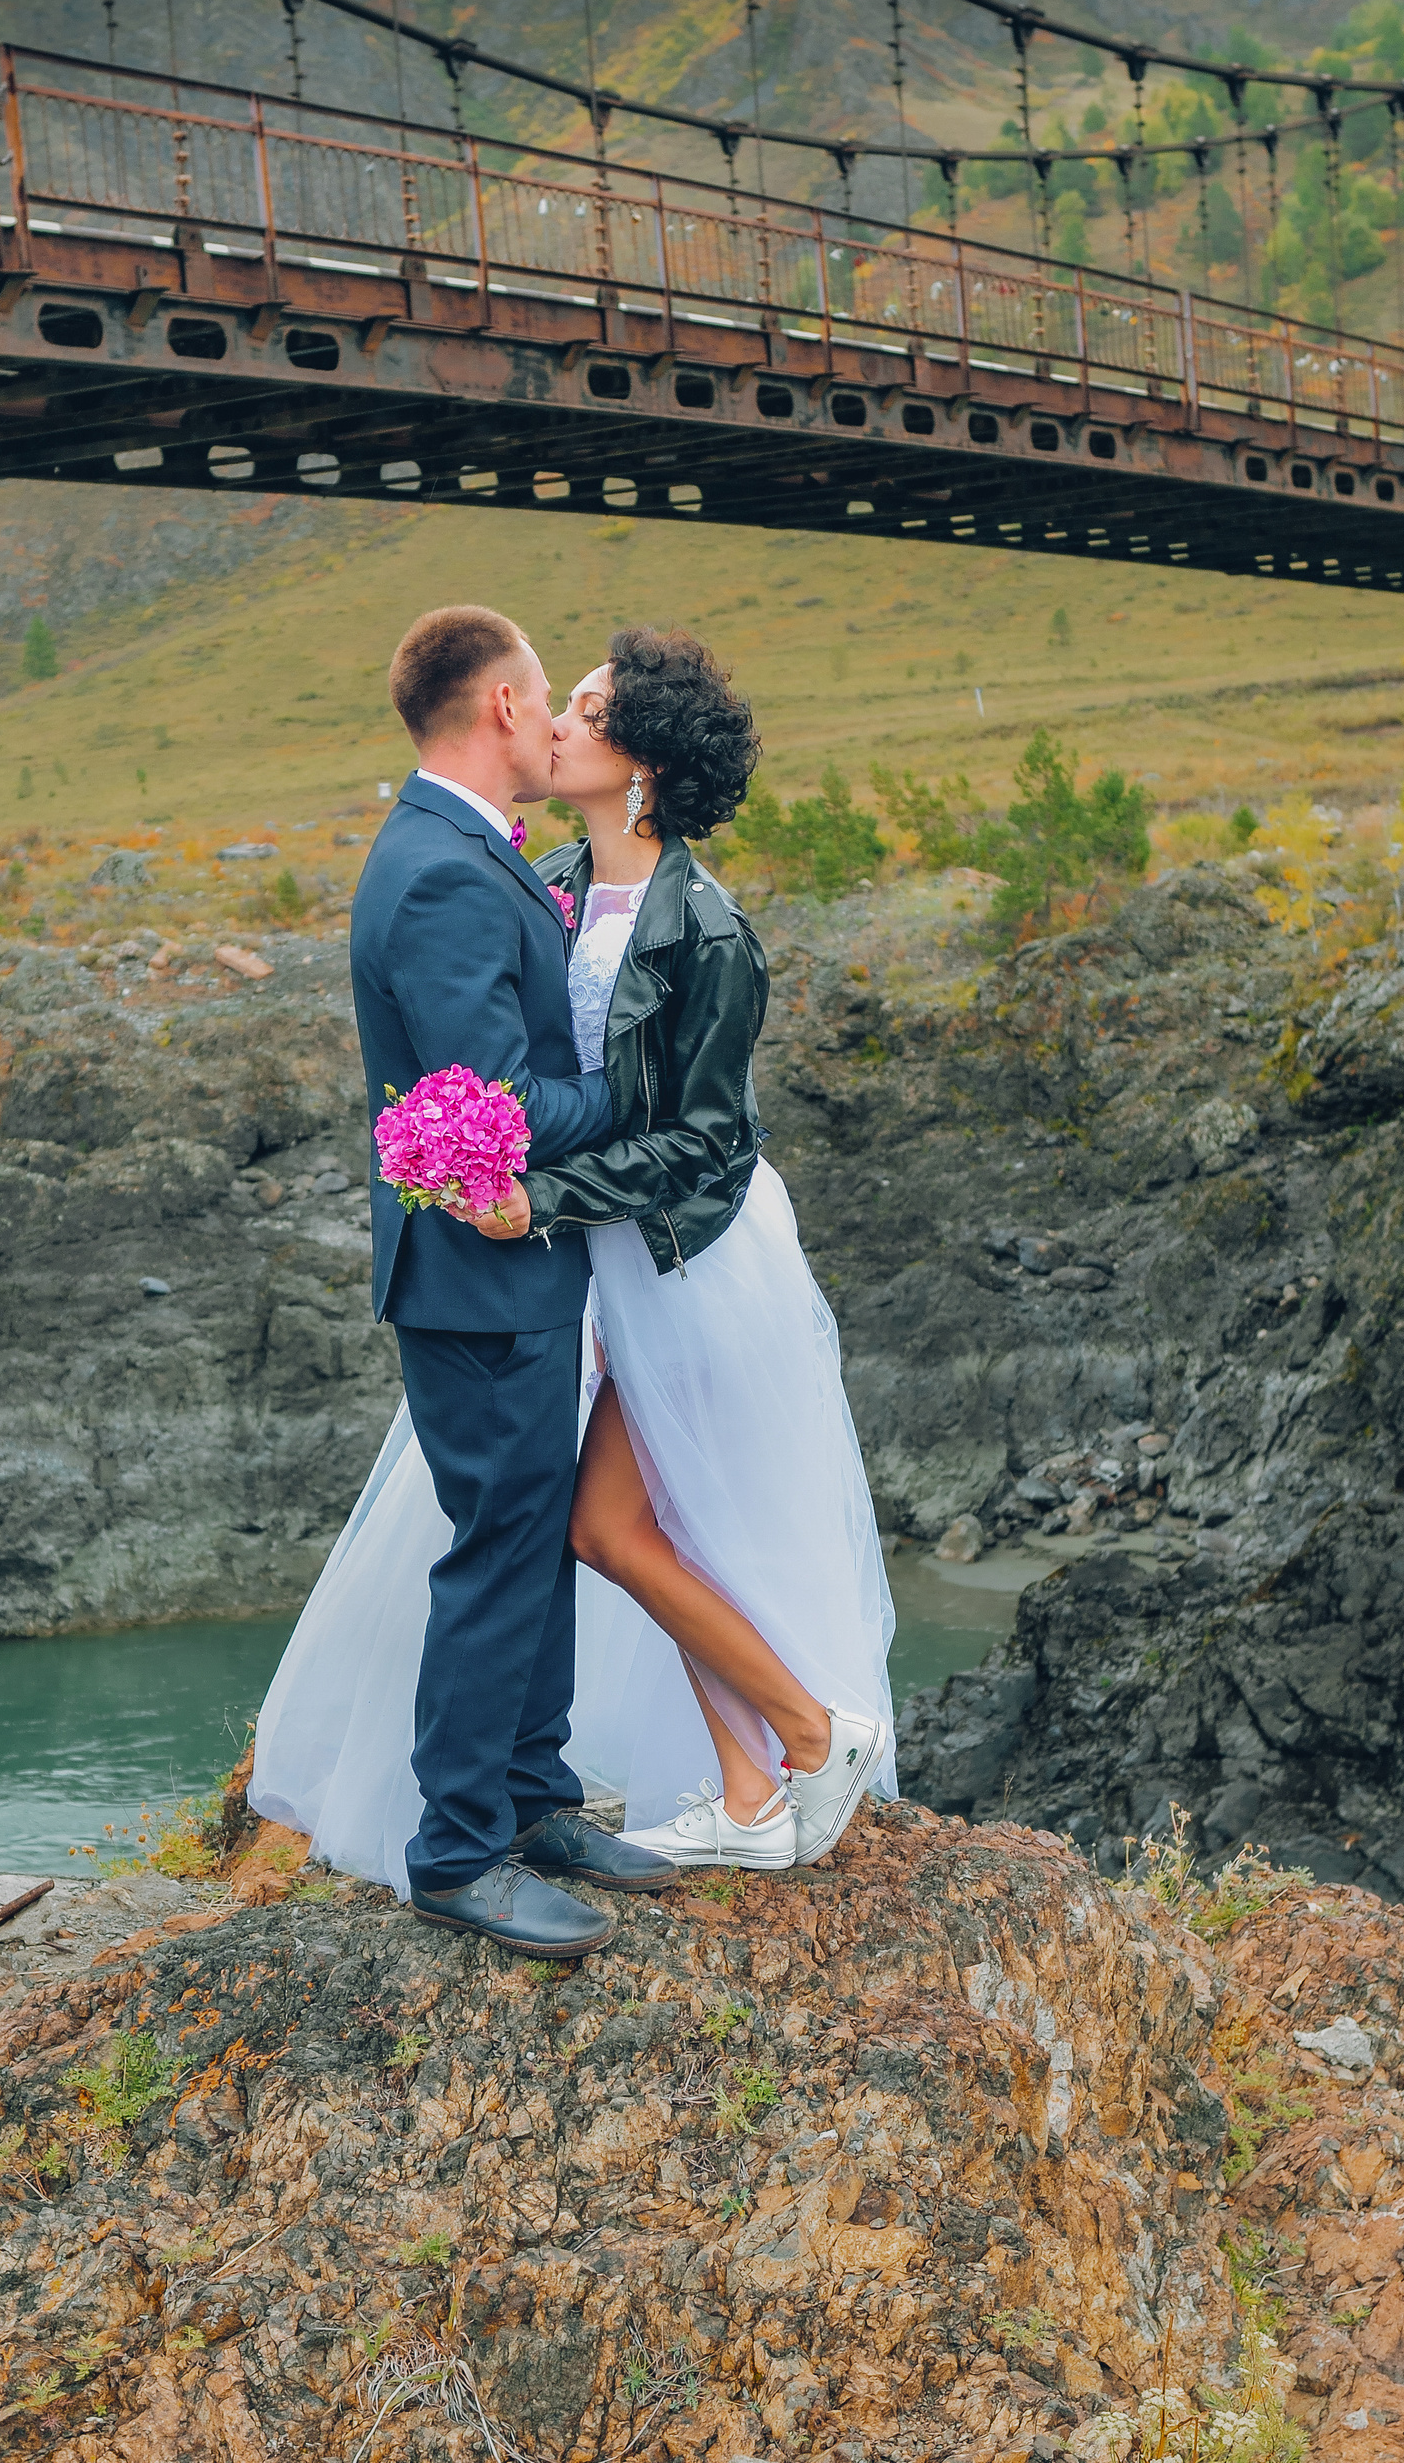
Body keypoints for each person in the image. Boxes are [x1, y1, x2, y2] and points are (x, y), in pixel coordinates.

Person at [252, 623, 895, 1904]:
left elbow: (707, 1136)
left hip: (679, 1250)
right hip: (574, 1253)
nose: (556, 723)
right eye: (556, 700)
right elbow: (494, 1068)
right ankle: (705, 1782)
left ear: (641, 762)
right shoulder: (531, 873)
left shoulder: (701, 926)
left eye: (586, 711)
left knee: (639, 1519)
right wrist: (544, 1168)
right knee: (581, 1527)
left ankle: (782, 1754)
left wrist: (547, 1180)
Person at [288, 604, 679, 1965]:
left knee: (530, 1532)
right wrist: (633, 1095)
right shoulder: (447, 872)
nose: (553, 724)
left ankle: (536, 1796)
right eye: (541, 700)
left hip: (503, 1267)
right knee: (500, 1549)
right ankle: (458, 1851)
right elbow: (495, 1105)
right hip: (477, 1273)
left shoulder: (456, 849)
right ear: (505, 708)